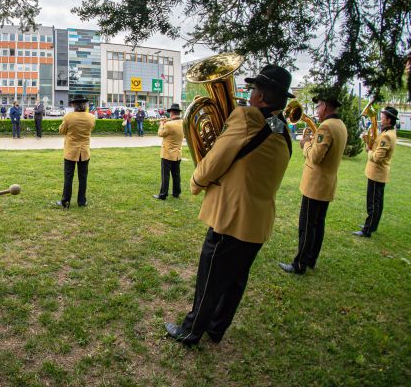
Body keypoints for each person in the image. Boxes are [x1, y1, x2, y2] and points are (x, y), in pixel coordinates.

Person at [165, 65, 294, 346]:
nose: (248, 95)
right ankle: (216, 328)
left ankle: (191, 331)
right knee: (235, 279)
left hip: (231, 217)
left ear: (261, 97)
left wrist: (197, 181)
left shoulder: (247, 118)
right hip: (258, 220)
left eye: (252, 90)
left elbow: (216, 159)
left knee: (210, 277)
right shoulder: (282, 128)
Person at [279, 89, 347, 275]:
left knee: (307, 226)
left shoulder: (326, 127)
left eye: (318, 106)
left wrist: (306, 144)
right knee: (318, 224)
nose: (316, 110)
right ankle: (311, 259)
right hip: (327, 184)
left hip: (315, 186)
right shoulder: (340, 125)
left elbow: (315, 157)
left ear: (325, 106)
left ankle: (299, 264)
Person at [354, 106, 398, 238]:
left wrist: (369, 151)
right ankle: (372, 226)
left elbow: (377, 157)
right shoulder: (388, 133)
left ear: (389, 120)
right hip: (379, 174)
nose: (381, 119)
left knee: (373, 203)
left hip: (377, 173)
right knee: (377, 202)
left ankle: (367, 230)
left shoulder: (387, 137)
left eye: (383, 117)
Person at [55, 95, 97, 209]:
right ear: (85, 105)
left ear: (74, 105)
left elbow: (62, 131)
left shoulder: (68, 117)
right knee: (83, 177)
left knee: (68, 177)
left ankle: (65, 202)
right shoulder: (91, 117)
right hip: (84, 151)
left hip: (71, 151)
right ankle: (82, 201)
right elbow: (91, 128)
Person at [155, 104, 184, 200]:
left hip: (167, 154)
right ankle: (176, 192)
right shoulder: (183, 123)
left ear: (171, 113)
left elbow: (160, 134)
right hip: (178, 153)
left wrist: (161, 124)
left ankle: (163, 194)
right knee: (176, 174)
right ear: (178, 113)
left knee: (165, 175)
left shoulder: (169, 124)